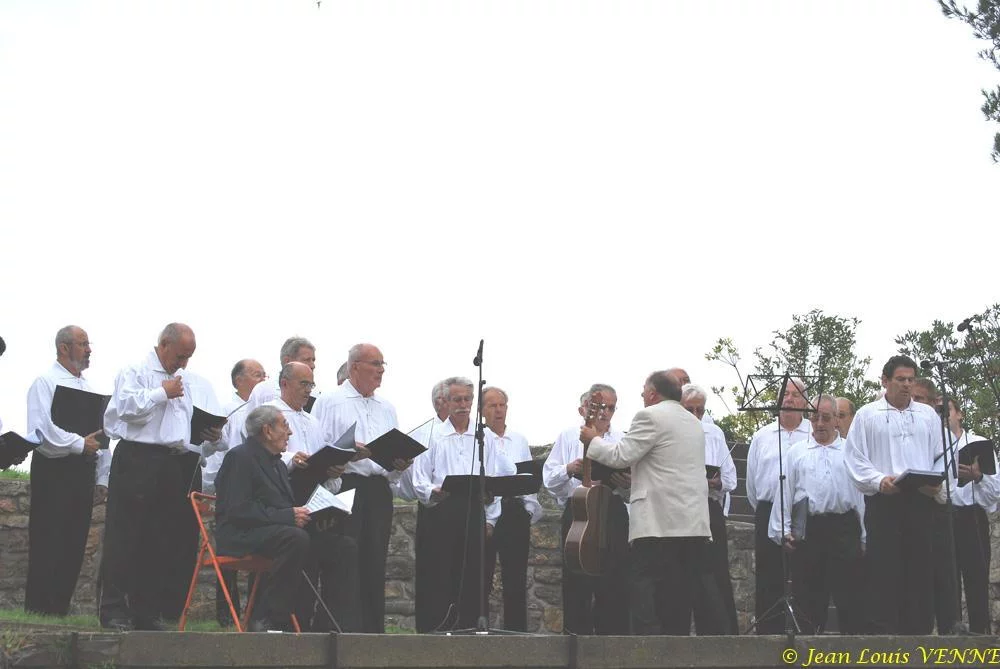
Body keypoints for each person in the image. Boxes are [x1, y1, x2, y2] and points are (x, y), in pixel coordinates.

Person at [581, 370, 720, 635]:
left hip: (659, 522)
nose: (642, 395)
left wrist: (592, 440)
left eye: (644, 390)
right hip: (692, 523)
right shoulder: (693, 422)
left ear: (654, 393)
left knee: (642, 584)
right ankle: (675, 646)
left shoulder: (650, 415)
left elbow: (621, 455)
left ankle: (649, 646)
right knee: (678, 592)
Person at [100, 323, 209, 630]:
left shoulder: (182, 379)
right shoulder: (134, 372)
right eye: (180, 355)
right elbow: (125, 410)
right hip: (137, 458)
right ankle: (114, 611)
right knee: (126, 536)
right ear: (163, 345)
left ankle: (146, 612)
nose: (184, 363)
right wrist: (162, 393)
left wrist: (204, 431)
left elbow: (179, 423)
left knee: (160, 538)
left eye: (188, 357)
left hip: (171, 461)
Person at [312, 343, 411, 633]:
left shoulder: (387, 407)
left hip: (378, 488)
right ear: (355, 366)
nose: (381, 370)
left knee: (375, 557)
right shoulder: (330, 401)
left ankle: (372, 629)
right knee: (345, 556)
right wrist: (344, 453)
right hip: (347, 484)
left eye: (383, 364)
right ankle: (342, 626)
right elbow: (318, 445)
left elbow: (392, 448)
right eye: (375, 364)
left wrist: (399, 463)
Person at [845, 355, 943, 634]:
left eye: (911, 380)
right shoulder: (867, 415)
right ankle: (884, 634)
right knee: (884, 569)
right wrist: (878, 481)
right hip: (885, 501)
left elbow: (940, 455)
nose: (907, 385)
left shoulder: (927, 416)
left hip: (920, 500)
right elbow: (854, 458)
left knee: (919, 568)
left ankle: (919, 632)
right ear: (885, 381)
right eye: (901, 379)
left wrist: (936, 480)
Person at [410, 377, 515, 632]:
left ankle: (471, 629)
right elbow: (419, 478)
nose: (463, 405)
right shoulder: (433, 434)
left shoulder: (484, 437)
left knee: (473, 575)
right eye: (457, 399)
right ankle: (434, 629)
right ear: (445, 401)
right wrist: (432, 491)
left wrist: (491, 518)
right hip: (440, 510)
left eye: (468, 399)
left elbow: (494, 477)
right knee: (437, 574)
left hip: (472, 509)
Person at [266, 361, 360, 632]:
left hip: (314, 498)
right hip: (283, 499)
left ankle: (330, 624)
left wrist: (333, 470)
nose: (308, 390)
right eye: (303, 384)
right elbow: (257, 458)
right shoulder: (268, 413)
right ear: (285, 383)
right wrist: (290, 458)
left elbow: (324, 464)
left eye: (311, 384)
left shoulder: (313, 421)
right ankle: (292, 623)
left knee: (346, 548)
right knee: (302, 549)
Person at [24, 326, 107, 616]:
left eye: (88, 344)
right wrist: (77, 443)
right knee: (49, 536)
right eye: (83, 344)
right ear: (63, 348)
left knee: (74, 539)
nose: (89, 349)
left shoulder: (90, 387)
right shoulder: (44, 382)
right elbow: (41, 430)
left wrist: (102, 475)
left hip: (82, 470)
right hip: (54, 468)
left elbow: (102, 435)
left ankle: (60, 606)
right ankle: (38, 607)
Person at [769, 394, 864, 634]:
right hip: (810, 530)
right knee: (808, 598)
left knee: (850, 597)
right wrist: (782, 530)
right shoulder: (796, 452)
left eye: (826, 418)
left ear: (836, 420)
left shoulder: (850, 452)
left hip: (844, 528)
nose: (820, 423)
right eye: (815, 417)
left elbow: (860, 496)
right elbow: (785, 491)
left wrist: (865, 534)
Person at [542, 384, 630, 635]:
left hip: (611, 510)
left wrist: (626, 482)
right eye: (601, 407)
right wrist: (569, 468)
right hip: (579, 510)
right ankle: (575, 644)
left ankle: (613, 644)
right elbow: (549, 478)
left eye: (611, 407)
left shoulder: (622, 439)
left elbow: (633, 486)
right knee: (576, 581)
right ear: (588, 409)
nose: (605, 413)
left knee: (615, 581)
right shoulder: (569, 435)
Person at [214, 406, 311, 632]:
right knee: (294, 539)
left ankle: (331, 622)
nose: (290, 433)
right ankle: (267, 617)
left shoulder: (277, 463)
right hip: (240, 534)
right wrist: (288, 516)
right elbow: (238, 510)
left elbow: (282, 505)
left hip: (270, 531)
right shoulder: (239, 457)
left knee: (342, 545)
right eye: (285, 426)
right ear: (267, 431)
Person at [745, 376, 811, 634]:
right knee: (768, 576)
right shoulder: (762, 436)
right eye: (785, 394)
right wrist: (767, 512)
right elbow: (751, 483)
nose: (789, 399)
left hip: (802, 511)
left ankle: (806, 630)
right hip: (767, 507)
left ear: (805, 401)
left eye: (795, 394)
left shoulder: (811, 434)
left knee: (805, 573)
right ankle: (767, 634)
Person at [482, 386, 543, 632]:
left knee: (516, 577)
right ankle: (478, 632)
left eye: (502, 405)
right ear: (482, 410)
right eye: (492, 405)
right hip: (486, 511)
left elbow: (527, 477)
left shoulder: (518, 439)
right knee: (482, 576)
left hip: (515, 511)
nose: (498, 410)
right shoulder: (479, 440)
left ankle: (517, 634)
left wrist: (528, 510)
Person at [680, 383, 738, 634]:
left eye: (700, 411)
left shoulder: (714, 433)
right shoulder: (670, 432)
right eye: (689, 409)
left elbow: (732, 478)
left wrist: (716, 482)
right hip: (680, 510)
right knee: (681, 575)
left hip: (709, 507)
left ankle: (719, 636)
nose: (695, 416)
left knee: (714, 575)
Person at [911, 379, 960, 634]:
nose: (915, 404)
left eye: (920, 399)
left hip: (937, 513)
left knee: (943, 581)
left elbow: (947, 483)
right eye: (913, 399)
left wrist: (931, 487)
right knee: (915, 584)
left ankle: (950, 639)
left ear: (933, 404)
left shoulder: (946, 437)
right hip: (909, 514)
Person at [945, 398, 998, 634]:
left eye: (946, 411)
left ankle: (981, 636)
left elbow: (994, 493)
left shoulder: (978, 444)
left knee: (977, 580)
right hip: (944, 517)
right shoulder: (933, 445)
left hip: (972, 517)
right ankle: (949, 638)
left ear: (959, 414)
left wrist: (979, 477)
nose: (943, 417)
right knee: (947, 583)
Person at [246, 337, 317, 410]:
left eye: (313, 360)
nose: (312, 365)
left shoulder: (315, 395)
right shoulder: (263, 391)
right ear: (287, 361)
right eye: (307, 360)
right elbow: (250, 420)